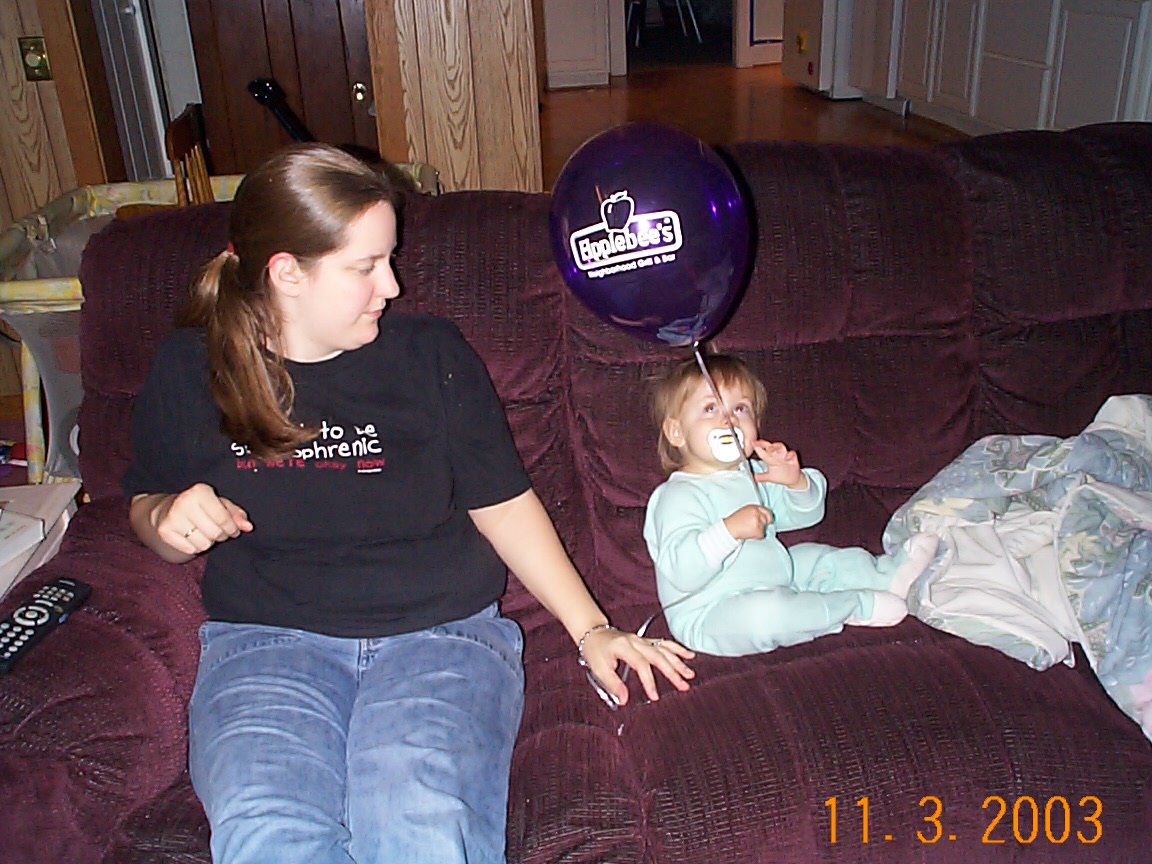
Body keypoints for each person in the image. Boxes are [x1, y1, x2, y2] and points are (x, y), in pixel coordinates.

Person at [122, 142, 695, 864]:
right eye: (365, 267)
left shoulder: (430, 354)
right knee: (268, 833)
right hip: (266, 646)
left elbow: (503, 503)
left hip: (441, 639)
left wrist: (592, 630)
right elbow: (144, 503)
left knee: (417, 826)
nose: (391, 287)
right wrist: (166, 519)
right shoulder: (190, 367)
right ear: (286, 273)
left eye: (389, 260)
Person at [643, 354, 938, 657]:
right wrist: (729, 531)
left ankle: (888, 575)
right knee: (765, 617)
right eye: (710, 408)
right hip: (712, 613)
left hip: (777, 575)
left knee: (814, 558)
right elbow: (681, 571)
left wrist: (794, 483)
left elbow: (807, 515)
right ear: (677, 432)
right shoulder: (676, 496)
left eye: (741, 408)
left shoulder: (754, 474)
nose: (729, 420)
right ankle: (854, 605)